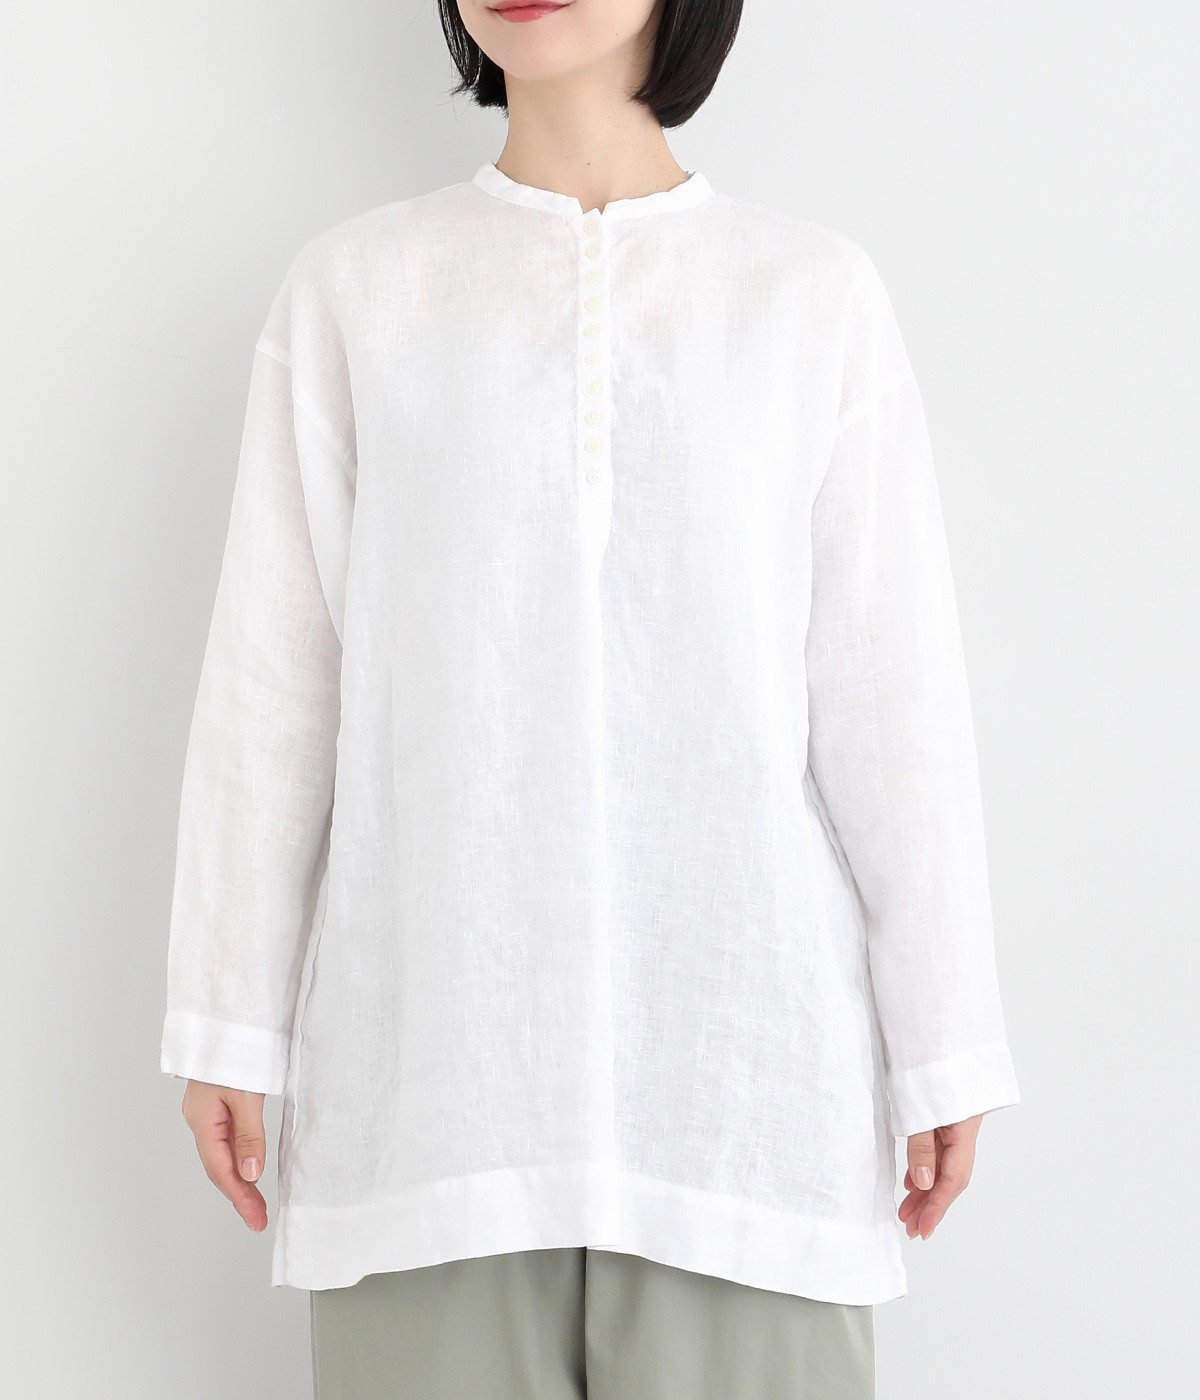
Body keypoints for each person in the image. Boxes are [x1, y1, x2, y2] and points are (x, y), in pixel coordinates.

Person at [160, 0, 1022, 1395]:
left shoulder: (811, 298)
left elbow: (891, 704)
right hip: (433, 1106)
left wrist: (945, 1042)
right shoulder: (357, 294)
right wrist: (227, 1020)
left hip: (742, 1110)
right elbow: (274, 688)